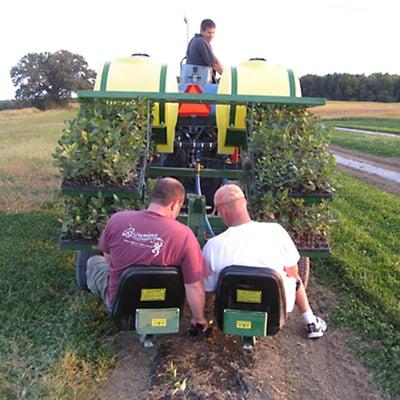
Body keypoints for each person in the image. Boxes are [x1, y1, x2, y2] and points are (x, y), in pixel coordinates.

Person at [202, 184, 327, 339]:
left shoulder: (212, 246)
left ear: (221, 212)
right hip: (275, 311)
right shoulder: (276, 232)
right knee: (295, 279)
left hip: (230, 313)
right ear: (245, 203)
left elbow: (208, 288)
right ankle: (311, 321)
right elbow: (293, 274)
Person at [87, 177, 210, 331]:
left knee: (94, 262)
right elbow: (194, 285)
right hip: (164, 308)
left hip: (123, 308)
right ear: (174, 205)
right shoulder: (185, 235)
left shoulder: (117, 220)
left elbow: (108, 257)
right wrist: (198, 318)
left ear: (153, 198)